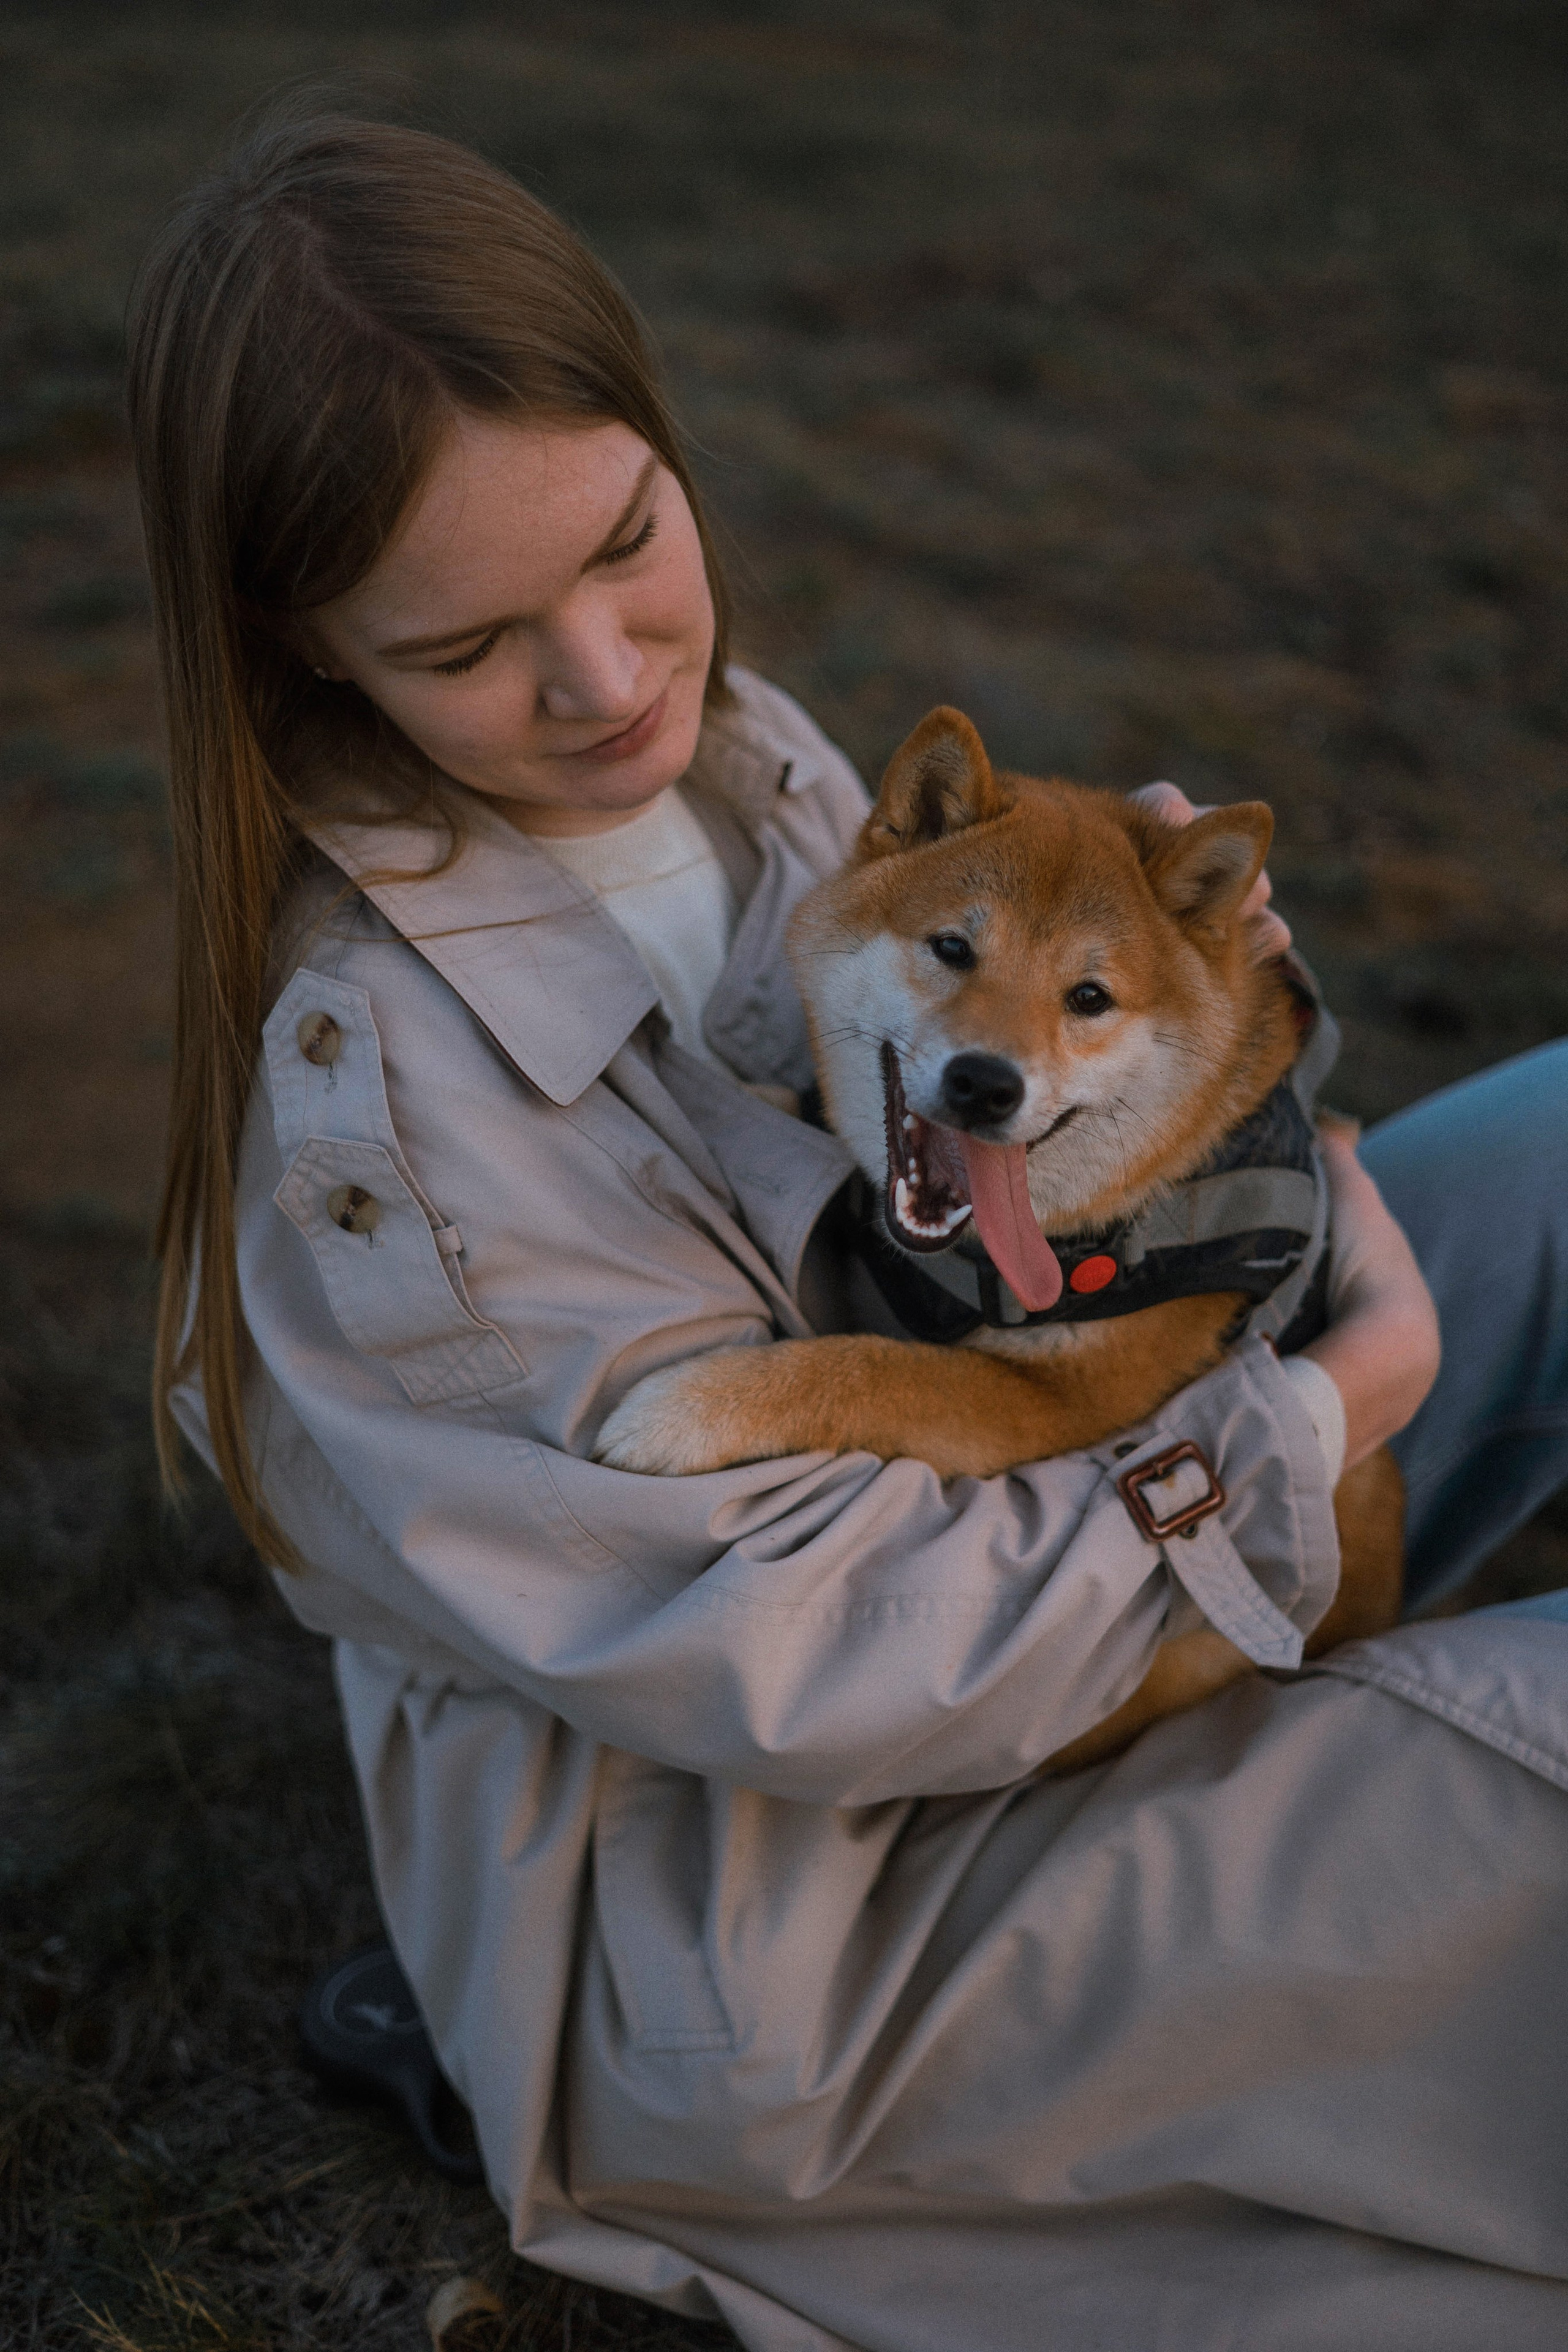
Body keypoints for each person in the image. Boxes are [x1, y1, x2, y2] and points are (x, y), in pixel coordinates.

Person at [129, 108, 1568, 2352]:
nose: (611, 681)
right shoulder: (381, 1125)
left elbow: (1023, 1100)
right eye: (476, 642)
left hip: (1076, 1585)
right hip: (807, 1944)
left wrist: (1216, 1026)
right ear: (303, 647)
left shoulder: (760, 762)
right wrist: (1326, 1409)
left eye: (629, 543)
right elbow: (828, 1663)